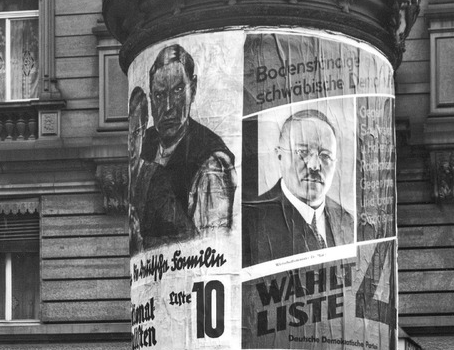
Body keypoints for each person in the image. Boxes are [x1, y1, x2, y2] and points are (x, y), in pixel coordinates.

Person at [140, 44, 236, 237]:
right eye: (159, 95)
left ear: (193, 89)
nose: (168, 107)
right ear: (150, 99)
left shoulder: (211, 163)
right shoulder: (145, 143)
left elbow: (214, 243)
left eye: (177, 91)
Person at [242, 108, 354, 267]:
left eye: (325, 156)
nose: (315, 166)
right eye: (302, 152)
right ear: (280, 156)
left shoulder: (349, 223)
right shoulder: (248, 223)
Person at [128, 84, 194, 253]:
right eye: (129, 136)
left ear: (144, 132)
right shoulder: (132, 180)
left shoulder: (157, 179)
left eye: (136, 134)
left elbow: (185, 236)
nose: (130, 145)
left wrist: (141, 240)